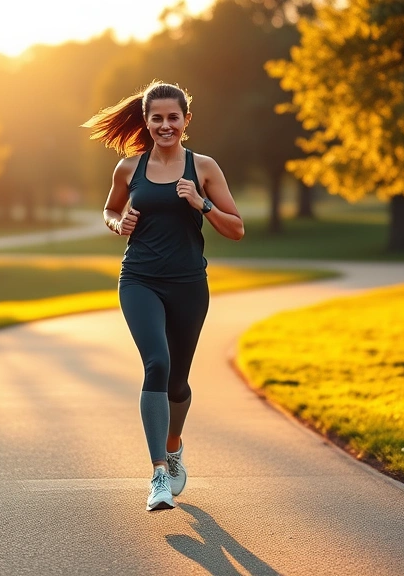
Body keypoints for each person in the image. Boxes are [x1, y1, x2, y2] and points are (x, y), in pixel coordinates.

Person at [82, 81, 244, 511]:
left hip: (189, 284)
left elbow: (237, 228)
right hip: (139, 279)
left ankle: (173, 449)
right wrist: (118, 225)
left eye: (174, 117)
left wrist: (202, 205)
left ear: (186, 121)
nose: (165, 124)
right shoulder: (128, 169)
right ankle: (157, 475)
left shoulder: (204, 168)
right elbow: (110, 209)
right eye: (157, 118)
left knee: (178, 380)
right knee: (157, 363)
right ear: (146, 121)